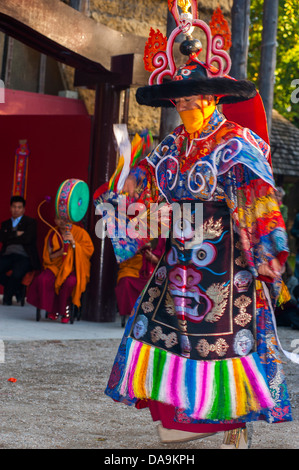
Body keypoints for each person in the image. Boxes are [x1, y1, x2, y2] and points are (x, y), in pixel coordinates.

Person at [102, 18, 294, 449]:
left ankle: (228, 420)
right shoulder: (169, 147)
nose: (188, 107)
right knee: (155, 332)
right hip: (177, 266)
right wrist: (120, 205)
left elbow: (260, 202)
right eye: (181, 100)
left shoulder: (236, 143)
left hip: (224, 269)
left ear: (214, 99)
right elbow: (145, 197)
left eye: (196, 100)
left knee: (219, 345)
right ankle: (190, 418)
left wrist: (268, 253)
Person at [27, 216, 94, 323]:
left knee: (70, 282)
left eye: (65, 219)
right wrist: (61, 252)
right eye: (59, 219)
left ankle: (65, 310)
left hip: (73, 267)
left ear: (71, 219)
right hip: (55, 267)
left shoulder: (80, 233)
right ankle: (52, 309)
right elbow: (48, 256)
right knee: (43, 279)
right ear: (55, 220)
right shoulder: (52, 233)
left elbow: (89, 251)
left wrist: (73, 243)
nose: (62, 222)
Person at [115, 238, 166, 327]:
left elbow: (167, 260)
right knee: (125, 282)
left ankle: (148, 315)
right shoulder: (128, 236)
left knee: (152, 284)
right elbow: (120, 258)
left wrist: (153, 258)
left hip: (151, 270)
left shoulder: (161, 237)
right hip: (131, 269)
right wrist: (132, 251)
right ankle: (129, 313)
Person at [0, 195, 40, 305]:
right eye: (14, 207)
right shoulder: (5, 223)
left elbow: (28, 239)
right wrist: (16, 234)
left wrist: (10, 236)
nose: (16, 210)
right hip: (7, 255)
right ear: (10, 208)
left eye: (19, 207)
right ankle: (18, 289)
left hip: (24, 256)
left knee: (17, 274)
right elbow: (2, 238)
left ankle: (7, 299)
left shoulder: (30, 222)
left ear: (23, 209)